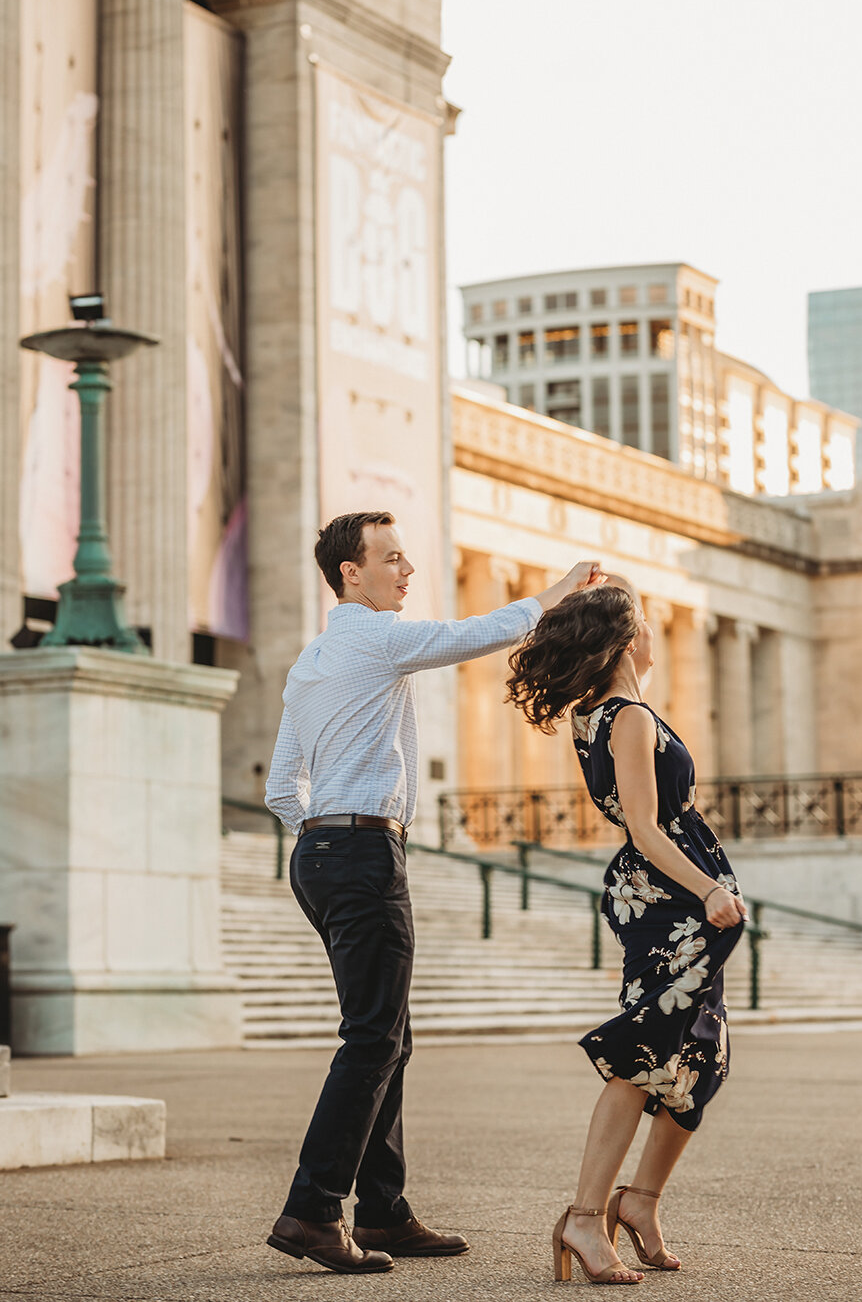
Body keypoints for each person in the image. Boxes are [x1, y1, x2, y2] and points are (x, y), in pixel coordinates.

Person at [263, 508, 603, 1275]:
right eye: (390, 558)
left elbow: (284, 783)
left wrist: (317, 834)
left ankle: (382, 1211)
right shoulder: (376, 639)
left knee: (387, 1034)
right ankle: (314, 1210)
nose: (405, 570)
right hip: (360, 851)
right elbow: (477, 634)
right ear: (350, 572)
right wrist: (556, 591)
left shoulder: (311, 660)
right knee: (373, 1037)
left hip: (320, 852)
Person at [507, 575, 748, 1286]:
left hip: (672, 897)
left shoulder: (601, 716)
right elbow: (644, 827)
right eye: (643, 624)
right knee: (645, 1051)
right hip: (670, 902)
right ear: (626, 640)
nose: (653, 635)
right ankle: (586, 1215)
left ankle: (637, 1202)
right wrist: (707, 887)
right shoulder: (629, 719)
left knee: (701, 1057)